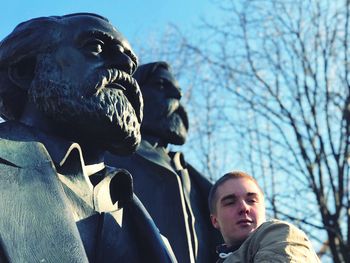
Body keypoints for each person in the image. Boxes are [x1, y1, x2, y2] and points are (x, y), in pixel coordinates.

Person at [0, 13, 175, 262]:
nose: (126, 65)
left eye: (132, 63)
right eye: (96, 47)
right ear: (25, 70)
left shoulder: (140, 217)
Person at [105, 61, 222, 263]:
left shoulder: (194, 177)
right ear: (132, 95)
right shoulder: (107, 158)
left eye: (178, 90)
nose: (177, 95)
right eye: (161, 85)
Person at [208, 171, 321, 262]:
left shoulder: (282, 234)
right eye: (230, 202)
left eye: (251, 200)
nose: (244, 208)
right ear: (215, 220)